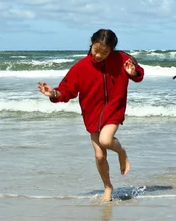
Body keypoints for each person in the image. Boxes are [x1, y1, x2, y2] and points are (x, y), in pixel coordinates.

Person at [37, 29, 144, 201]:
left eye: (105, 52)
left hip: (114, 109)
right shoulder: (81, 67)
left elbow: (139, 74)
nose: (99, 55)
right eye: (96, 50)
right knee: (100, 156)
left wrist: (133, 73)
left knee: (106, 140)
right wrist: (54, 93)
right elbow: (67, 90)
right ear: (91, 44)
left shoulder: (122, 59)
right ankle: (108, 187)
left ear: (112, 49)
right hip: (92, 113)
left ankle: (121, 152)